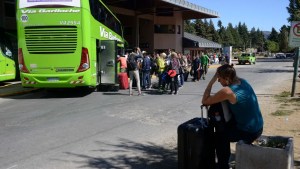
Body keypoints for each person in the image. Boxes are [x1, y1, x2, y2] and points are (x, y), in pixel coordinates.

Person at [202, 64, 264, 169]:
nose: (218, 81)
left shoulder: (227, 91)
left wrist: (211, 82)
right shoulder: (243, 81)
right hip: (258, 126)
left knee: (220, 136)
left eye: (219, 79)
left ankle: (223, 166)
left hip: (249, 132)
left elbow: (205, 101)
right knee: (224, 126)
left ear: (226, 78)